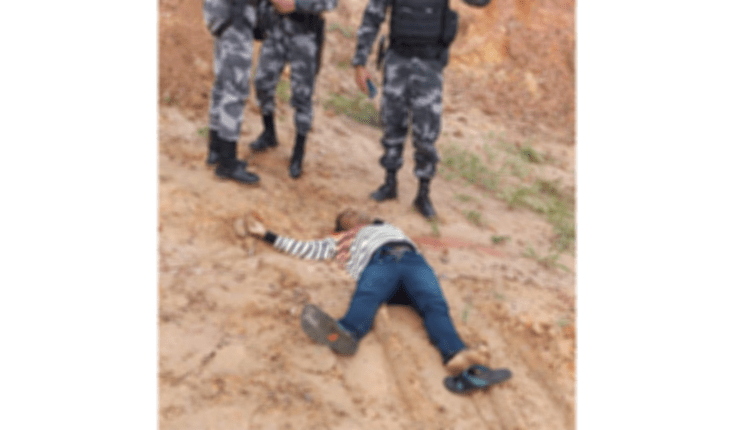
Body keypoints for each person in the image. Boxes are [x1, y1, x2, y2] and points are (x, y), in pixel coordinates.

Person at [244, 208, 495, 379]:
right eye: (346, 216)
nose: (353, 213)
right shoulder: (340, 240)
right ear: (341, 227)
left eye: (354, 212)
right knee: (367, 295)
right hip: (382, 261)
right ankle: (347, 331)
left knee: (435, 303)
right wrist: (266, 234)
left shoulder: (388, 227)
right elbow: (305, 248)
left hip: (413, 261)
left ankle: (455, 353)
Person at [351, 0, 471, 218]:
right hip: (397, 59)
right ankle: (389, 183)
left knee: (426, 132)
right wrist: (360, 61)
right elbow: (373, 15)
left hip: (429, 64)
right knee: (392, 123)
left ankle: (423, 193)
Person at [248, 0, 337, 179]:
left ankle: (298, 152)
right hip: (276, 29)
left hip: (305, 35)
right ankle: (269, 133)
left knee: (302, 96)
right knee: (262, 82)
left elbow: (330, 3)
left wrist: (296, 4)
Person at [203, 0, 260, 184]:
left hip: (222, 17)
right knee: (235, 91)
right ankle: (227, 163)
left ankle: (215, 150)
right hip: (236, 19)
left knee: (221, 84)